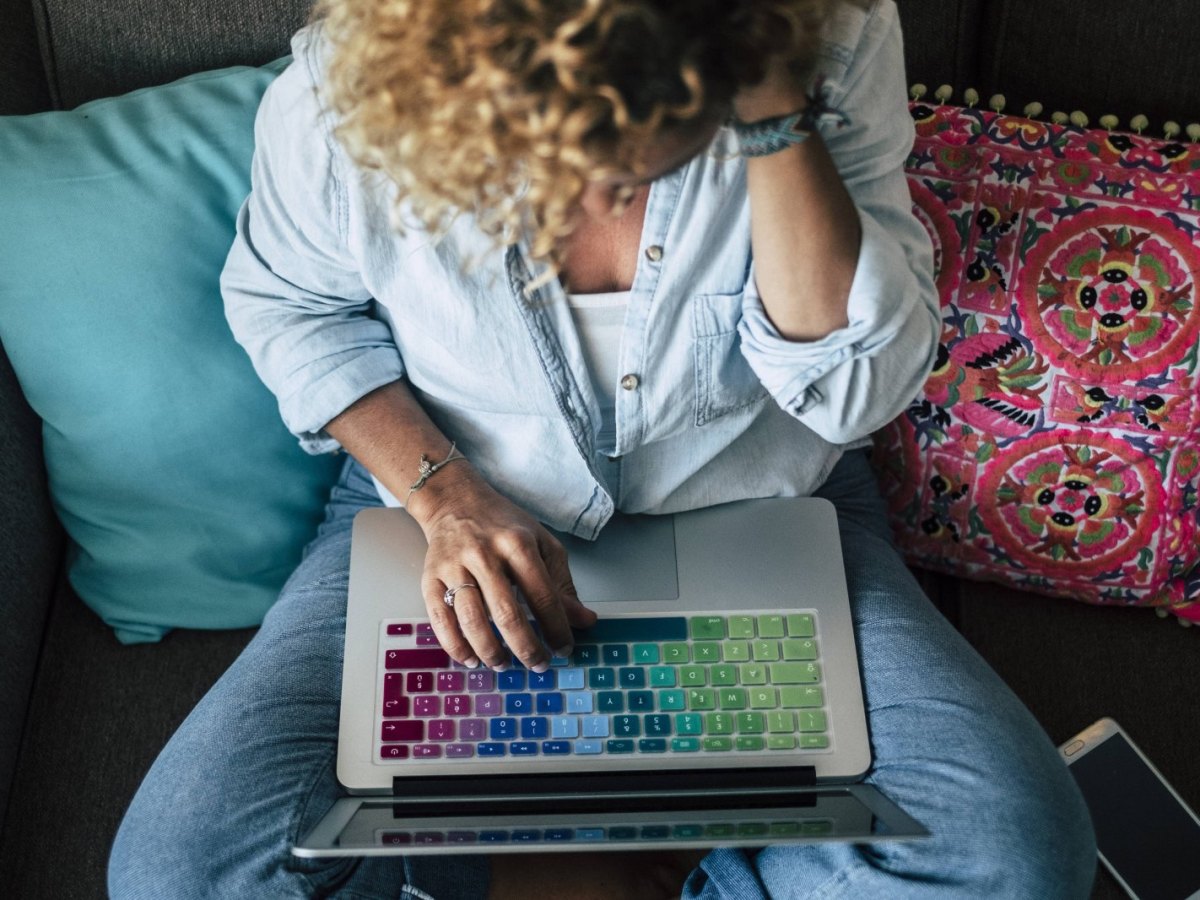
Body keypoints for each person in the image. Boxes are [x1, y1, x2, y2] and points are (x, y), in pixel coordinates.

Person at [108, 0, 1098, 896]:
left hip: (762, 504)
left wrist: (768, 104)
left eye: (643, 158)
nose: (596, 191)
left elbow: (849, 393)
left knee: (1014, 856)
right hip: (433, 500)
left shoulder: (834, 36)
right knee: (177, 877)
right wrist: (447, 498)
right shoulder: (342, 87)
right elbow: (290, 306)